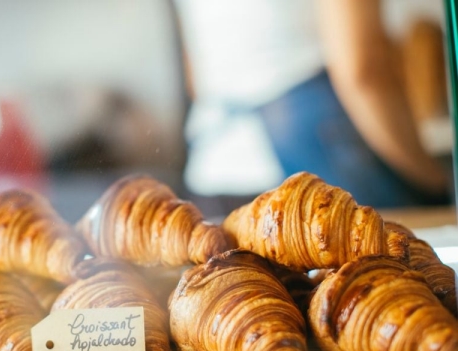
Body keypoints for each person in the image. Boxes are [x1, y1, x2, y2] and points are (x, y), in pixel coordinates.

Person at [177, 0, 452, 208]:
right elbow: (363, 69)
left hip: (217, 169)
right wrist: (432, 181)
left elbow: (195, 76)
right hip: (316, 160)